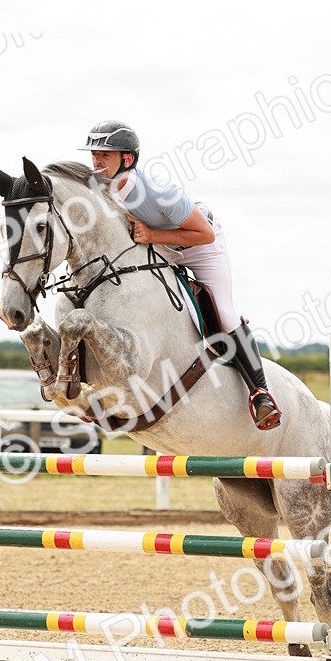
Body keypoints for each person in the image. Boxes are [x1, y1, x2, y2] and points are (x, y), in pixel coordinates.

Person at [77, 120, 282, 430]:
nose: (96, 161)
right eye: (94, 154)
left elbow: (204, 234)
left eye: (104, 155)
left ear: (127, 159)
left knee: (225, 316)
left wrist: (152, 235)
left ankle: (260, 392)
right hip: (155, 246)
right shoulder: (98, 190)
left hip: (200, 247)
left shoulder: (158, 192)